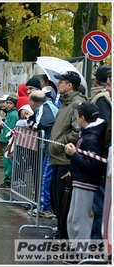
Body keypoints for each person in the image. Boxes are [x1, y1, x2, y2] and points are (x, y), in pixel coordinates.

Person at [48, 70, 87, 239]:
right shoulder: (64, 103)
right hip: (57, 156)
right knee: (55, 196)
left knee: (63, 198)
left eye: (61, 82)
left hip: (65, 157)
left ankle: (64, 233)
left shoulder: (76, 104)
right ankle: (60, 229)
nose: (58, 84)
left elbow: (77, 131)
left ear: (69, 85)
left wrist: (61, 142)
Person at [65, 101, 106, 245]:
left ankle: (82, 252)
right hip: (80, 180)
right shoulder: (87, 134)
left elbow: (92, 164)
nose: (76, 117)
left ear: (82, 118)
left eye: (77, 115)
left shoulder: (92, 138)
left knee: (79, 219)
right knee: (72, 218)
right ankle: (76, 249)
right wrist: (71, 153)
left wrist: (74, 154)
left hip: (86, 182)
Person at [27, 90, 58, 219]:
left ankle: (45, 207)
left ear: (33, 103)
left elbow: (40, 123)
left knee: (45, 178)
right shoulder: (50, 106)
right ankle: (46, 205)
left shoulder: (44, 108)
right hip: (52, 149)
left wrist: (34, 126)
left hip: (51, 149)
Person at [89, 65, 112, 241]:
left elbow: (103, 128)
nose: (108, 88)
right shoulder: (104, 98)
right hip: (105, 156)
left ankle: (98, 242)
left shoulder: (102, 99)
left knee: (101, 204)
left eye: (110, 84)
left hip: (104, 158)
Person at [0, 95, 19, 190]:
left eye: (10, 103)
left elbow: (8, 130)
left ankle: (8, 181)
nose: (8, 105)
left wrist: (1, 140)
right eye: (7, 103)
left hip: (10, 142)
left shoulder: (13, 115)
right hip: (9, 141)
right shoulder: (10, 114)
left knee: (8, 162)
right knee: (8, 161)